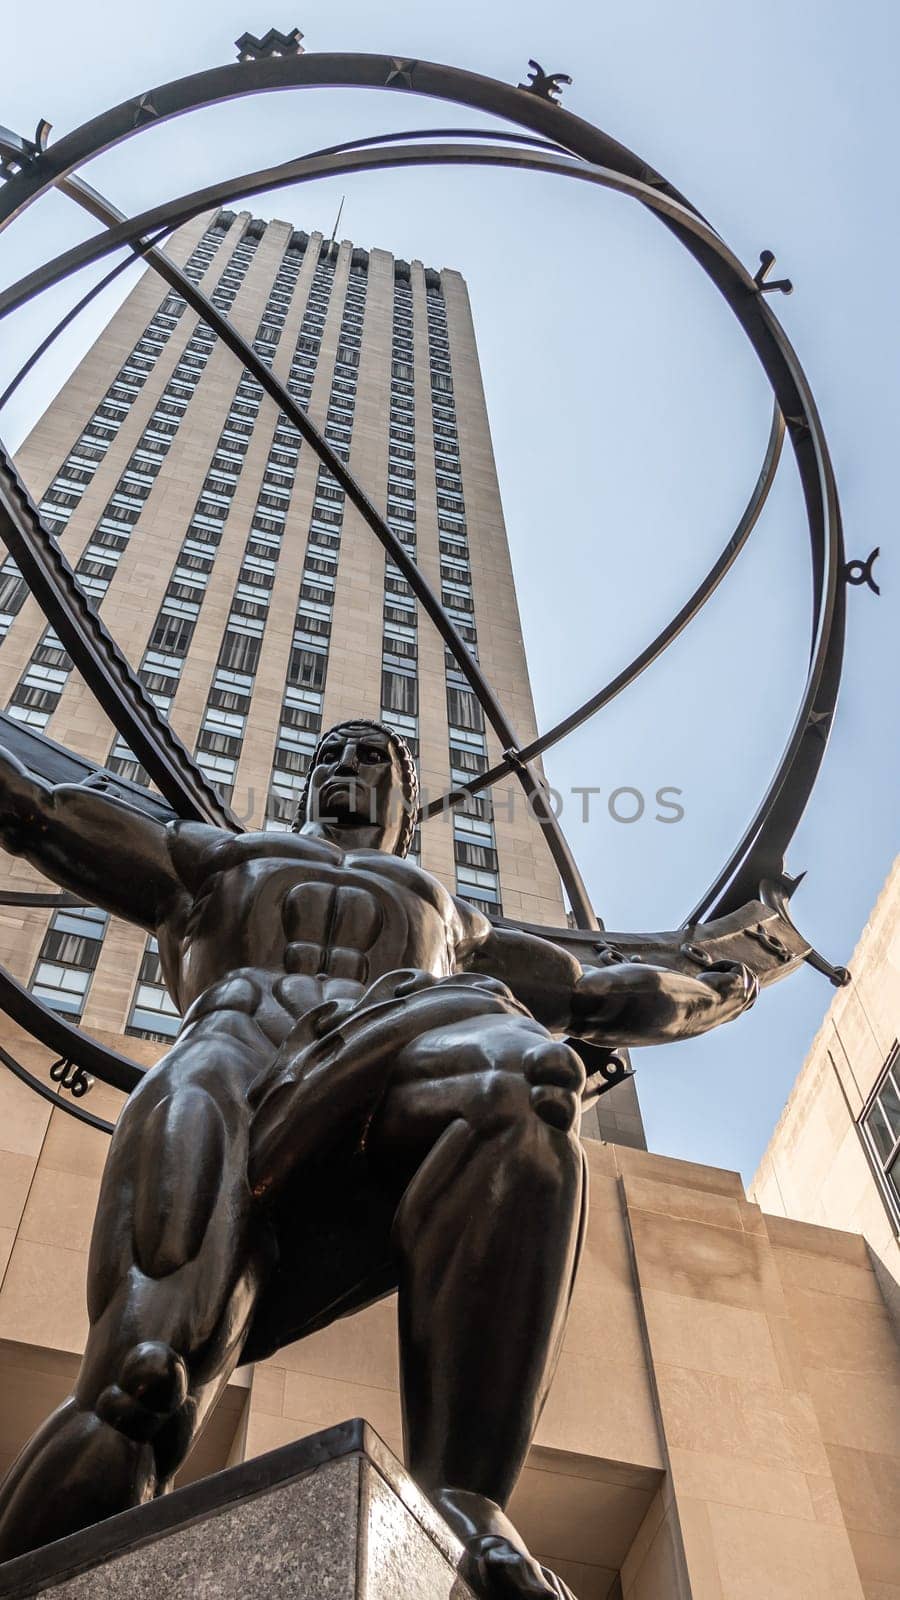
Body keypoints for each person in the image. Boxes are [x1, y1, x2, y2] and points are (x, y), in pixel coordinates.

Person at [0, 719, 756, 1596]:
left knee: (531, 1080)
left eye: (369, 758)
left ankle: (464, 1500)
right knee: (140, 1389)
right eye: (326, 756)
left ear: (406, 799)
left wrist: (713, 991)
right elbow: (38, 808)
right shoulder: (216, 858)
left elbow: (597, 995)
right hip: (229, 1072)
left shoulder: (451, 921)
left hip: (377, 1068)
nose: (344, 768)